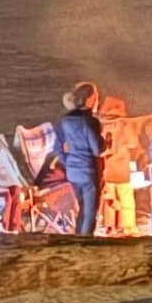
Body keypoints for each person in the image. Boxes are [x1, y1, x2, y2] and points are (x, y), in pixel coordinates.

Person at [53, 87, 107, 235]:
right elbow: (97, 149)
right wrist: (106, 140)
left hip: (72, 171)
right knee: (90, 211)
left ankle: (78, 238)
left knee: (82, 207)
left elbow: (57, 147)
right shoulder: (90, 121)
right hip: (88, 170)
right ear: (90, 100)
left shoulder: (64, 121)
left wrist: (68, 161)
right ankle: (86, 242)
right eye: (96, 97)